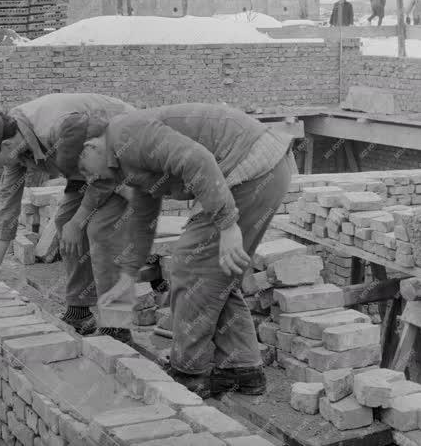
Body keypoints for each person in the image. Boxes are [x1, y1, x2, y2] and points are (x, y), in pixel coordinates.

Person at [77, 102, 295, 398]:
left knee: (190, 266)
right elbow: (143, 219)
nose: (90, 180)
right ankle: (243, 370)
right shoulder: (125, 161)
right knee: (216, 272)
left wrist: (228, 224)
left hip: (252, 167)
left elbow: (196, 159)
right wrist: (128, 277)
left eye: (82, 170)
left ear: (90, 146)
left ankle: (189, 374)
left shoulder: (125, 135)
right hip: (261, 168)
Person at [0, 93, 135, 340]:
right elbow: (7, 211)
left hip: (123, 153)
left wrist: (81, 221)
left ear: (7, 146)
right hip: (86, 167)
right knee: (66, 224)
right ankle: (79, 311)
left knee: (102, 228)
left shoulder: (57, 128)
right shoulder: (14, 144)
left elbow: (106, 169)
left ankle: (118, 327)